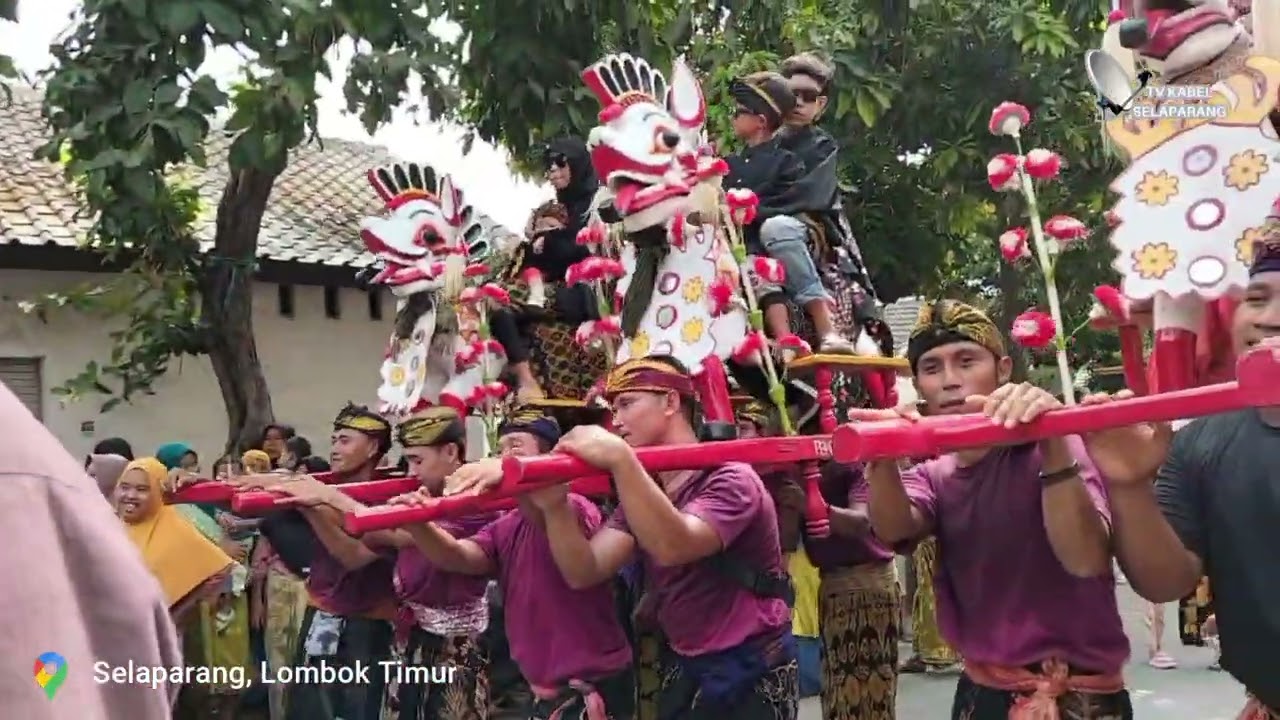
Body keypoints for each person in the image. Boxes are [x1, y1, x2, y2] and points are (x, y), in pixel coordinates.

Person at [448, 356, 798, 720]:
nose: (616, 419)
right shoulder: (644, 491)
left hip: (751, 658)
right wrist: (551, 504)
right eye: (613, 407)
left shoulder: (731, 479)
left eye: (627, 403)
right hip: (684, 662)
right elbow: (585, 569)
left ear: (671, 402)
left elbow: (674, 546)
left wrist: (621, 459)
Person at [859, 300, 1132, 718]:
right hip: (982, 689)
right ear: (918, 385)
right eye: (932, 369)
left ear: (1003, 370)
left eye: (966, 361)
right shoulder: (935, 473)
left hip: (1082, 696)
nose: (950, 381)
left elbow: (1085, 558)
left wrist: (1052, 437)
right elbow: (896, 529)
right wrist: (879, 457)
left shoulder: (1063, 443)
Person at [1109, 233, 1280, 716]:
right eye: (1256, 299)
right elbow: (1166, 582)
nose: (1269, 319)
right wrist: (1129, 487)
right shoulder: (1200, 439)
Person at [387, 409, 636, 720]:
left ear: (549, 454)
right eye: (500, 449)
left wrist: (514, 473)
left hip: (593, 684)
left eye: (516, 447)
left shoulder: (574, 505)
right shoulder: (507, 524)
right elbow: (460, 557)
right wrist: (419, 523)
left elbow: (550, 516)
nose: (505, 457)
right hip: (540, 688)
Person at [282, 406, 493, 720]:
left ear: (450, 451)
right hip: (409, 639)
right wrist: (310, 502)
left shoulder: (474, 500)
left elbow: (394, 533)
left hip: (454, 648)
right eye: (407, 460)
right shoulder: (422, 492)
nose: (410, 472)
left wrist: (326, 496)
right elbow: (359, 547)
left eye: (417, 460)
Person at [1, 391, 182, 717]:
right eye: (125, 486)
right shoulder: (81, 505)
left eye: (142, 488)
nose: (129, 495)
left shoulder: (175, 528)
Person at [272, 403, 398, 720]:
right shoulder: (327, 487)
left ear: (372, 448)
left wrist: (311, 507)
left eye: (345, 441)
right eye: (334, 440)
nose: (335, 449)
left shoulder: (389, 498)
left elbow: (352, 557)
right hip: (320, 616)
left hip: (365, 629)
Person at [723, 71, 853, 355]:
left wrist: (751, 212)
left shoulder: (800, 154)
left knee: (775, 230)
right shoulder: (729, 162)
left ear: (760, 122)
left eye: (740, 111)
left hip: (788, 230)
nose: (733, 117)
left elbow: (803, 198)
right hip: (740, 237)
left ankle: (824, 327)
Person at [777, 53, 884, 351]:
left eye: (808, 96)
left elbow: (810, 197)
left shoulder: (822, 146)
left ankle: (828, 329)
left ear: (820, 105)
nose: (798, 102)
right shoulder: (761, 143)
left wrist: (759, 209)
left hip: (816, 233)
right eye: (790, 94)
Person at [804, 459, 901, 720]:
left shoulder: (851, 463)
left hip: (868, 590)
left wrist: (812, 505)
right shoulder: (796, 469)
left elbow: (860, 522)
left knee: (870, 697)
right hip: (833, 590)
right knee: (839, 698)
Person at [736, 402, 820, 700]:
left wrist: (779, 570)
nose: (737, 434)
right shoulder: (744, 470)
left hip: (789, 563)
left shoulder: (781, 471)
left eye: (744, 428)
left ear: (762, 431)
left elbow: (787, 533)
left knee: (795, 618)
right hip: (754, 571)